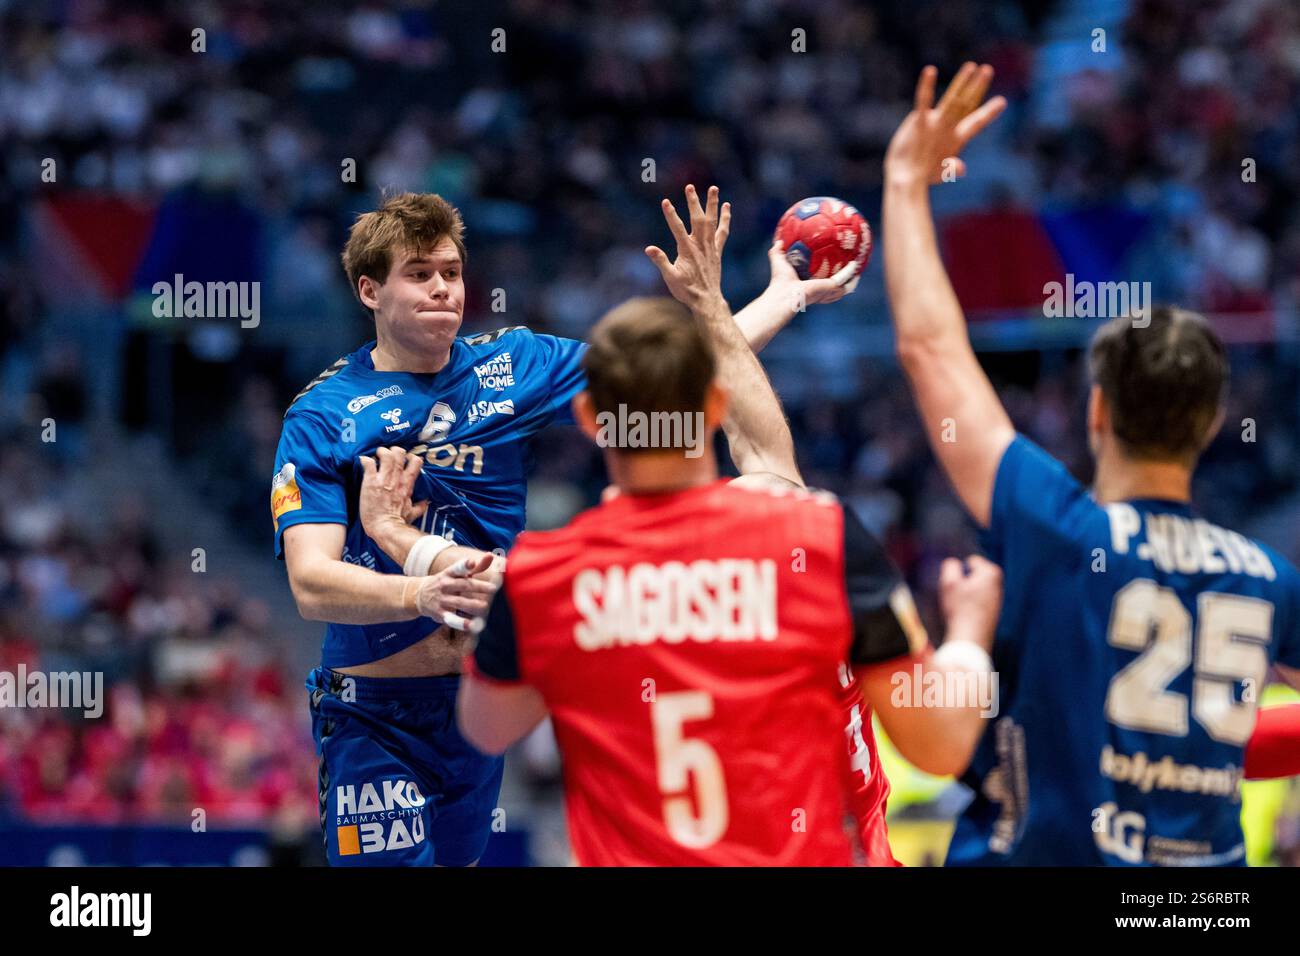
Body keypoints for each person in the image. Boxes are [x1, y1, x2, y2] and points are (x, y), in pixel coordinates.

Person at [274, 191, 861, 866]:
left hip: (474, 701)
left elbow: (666, 376)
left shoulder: (513, 363)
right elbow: (310, 582)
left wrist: (789, 297)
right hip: (373, 712)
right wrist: (419, 595)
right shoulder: (322, 414)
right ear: (370, 289)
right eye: (419, 274)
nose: (442, 289)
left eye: (452, 272)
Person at [453, 184, 1005, 865]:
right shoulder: (813, 539)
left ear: (591, 420)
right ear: (715, 407)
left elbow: (487, 727)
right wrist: (972, 633)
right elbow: (944, 744)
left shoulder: (545, 575)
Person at [880, 62, 1300, 865]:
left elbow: (930, 350)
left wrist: (904, 182)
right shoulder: (1269, 577)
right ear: (1212, 425)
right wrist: (1204, 753)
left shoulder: (1056, 525)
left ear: (1097, 410)